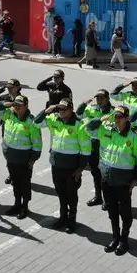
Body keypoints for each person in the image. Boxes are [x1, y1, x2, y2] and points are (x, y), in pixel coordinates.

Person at [85, 105, 137, 255]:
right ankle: (115, 237)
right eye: (115, 116)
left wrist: (135, 180)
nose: (116, 120)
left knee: (125, 213)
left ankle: (124, 240)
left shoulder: (136, 137)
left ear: (127, 118)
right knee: (112, 210)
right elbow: (88, 128)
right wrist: (102, 118)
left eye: (120, 117)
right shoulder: (105, 130)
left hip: (124, 182)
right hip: (107, 179)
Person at [34, 99, 90, 232]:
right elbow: (36, 123)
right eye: (59, 109)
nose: (60, 111)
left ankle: (72, 221)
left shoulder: (79, 125)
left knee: (71, 194)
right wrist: (46, 111)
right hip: (57, 165)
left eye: (64, 109)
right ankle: (62, 217)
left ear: (71, 110)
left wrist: (80, 169)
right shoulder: (54, 119)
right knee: (60, 193)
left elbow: (86, 150)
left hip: (72, 168)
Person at [0, 94, 43, 218]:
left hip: (24, 160)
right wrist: (7, 104)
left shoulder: (31, 122)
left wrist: (33, 159)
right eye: (15, 105)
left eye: (20, 105)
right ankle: (16, 204)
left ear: (26, 106)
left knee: (24, 184)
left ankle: (24, 207)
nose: (17, 108)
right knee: (15, 183)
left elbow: (37, 143)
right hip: (11, 158)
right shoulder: (9, 114)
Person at [76, 90, 115, 208]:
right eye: (97, 98)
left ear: (108, 98)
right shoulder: (92, 109)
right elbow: (78, 114)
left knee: (106, 175)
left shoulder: (113, 112)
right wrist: (83, 103)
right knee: (95, 173)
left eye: (102, 98)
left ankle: (108, 200)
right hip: (93, 144)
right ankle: (98, 197)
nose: (99, 100)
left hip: (106, 145)